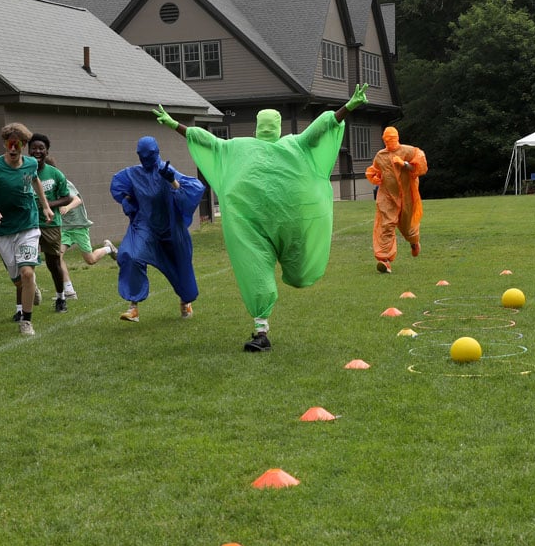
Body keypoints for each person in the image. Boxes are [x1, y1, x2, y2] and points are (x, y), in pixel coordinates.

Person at [153, 83, 368, 351]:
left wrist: (175, 124)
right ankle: (261, 331)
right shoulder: (293, 145)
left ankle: (261, 329)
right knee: (288, 272)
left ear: (257, 127)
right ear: (278, 127)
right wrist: (348, 107)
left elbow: (207, 141)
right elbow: (323, 127)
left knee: (259, 272)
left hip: (254, 226)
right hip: (282, 225)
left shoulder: (241, 148)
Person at [109, 136, 204, 323]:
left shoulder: (166, 171)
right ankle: (133, 307)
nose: (145, 159)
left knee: (180, 265)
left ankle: (185, 300)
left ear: (157, 153)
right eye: (142, 155)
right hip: (145, 227)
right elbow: (121, 189)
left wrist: (173, 181)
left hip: (170, 229)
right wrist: (128, 201)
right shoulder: (133, 174)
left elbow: (194, 189)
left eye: (149, 155)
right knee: (131, 255)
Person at [0, 122, 54, 336]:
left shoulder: (31, 163)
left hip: (28, 225)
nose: (12, 148)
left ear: (23, 145)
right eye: (9, 143)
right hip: (3, 230)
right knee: (18, 280)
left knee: (27, 272)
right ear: (4, 144)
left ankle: (26, 321)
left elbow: (36, 182)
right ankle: (31, 287)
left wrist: (45, 206)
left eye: (17, 144)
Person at [365, 126, 428, 273]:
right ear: (384, 140)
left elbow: (421, 168)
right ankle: (384, 260)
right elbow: (374, 170)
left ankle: (414, 242)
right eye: (387, 139)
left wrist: (404, 164)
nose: (390, 141)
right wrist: (375, 177)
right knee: (386, 225)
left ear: (397, 137)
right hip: (387, 197)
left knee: (407, 226)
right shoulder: (380, 156)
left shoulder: (409, 151)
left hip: (407, 196)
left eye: (392, 139)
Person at [29, 133, 73, 313]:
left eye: (41, 148)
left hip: (50, 224)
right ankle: (25, 302)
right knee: (25, 264)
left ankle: (61, 298)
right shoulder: (22, 171)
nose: (37, 151)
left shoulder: (55, 173)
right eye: (34, 148)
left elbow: (67, 198)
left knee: (53, 263)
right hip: (27, 224)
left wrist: (47, 204)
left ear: (47, 151)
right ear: (28, 150)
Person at [59, 176, 118, 295]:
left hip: (79, 226)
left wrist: (67, 207)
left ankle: (108, 248)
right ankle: (69, 290)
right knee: (57, 257)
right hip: (64, 228)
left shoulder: (63, 183)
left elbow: (77, 200)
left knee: (90, 260)